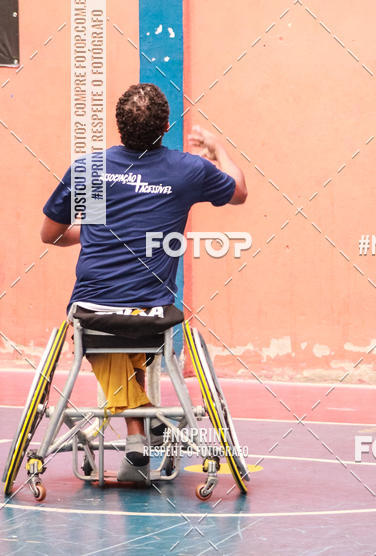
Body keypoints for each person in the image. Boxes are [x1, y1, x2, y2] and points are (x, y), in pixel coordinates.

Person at [40, 82, 247, 481]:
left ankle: (139, 429)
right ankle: (144, 426)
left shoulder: (90, 170)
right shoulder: (189, 169)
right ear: (167, 126)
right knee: (130, 324)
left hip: (93, 312)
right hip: (153, 314)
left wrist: (93, 231)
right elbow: (239, 192)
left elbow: (50, 234)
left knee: (100, 330)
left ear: (118, 126)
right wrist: (218, 149)